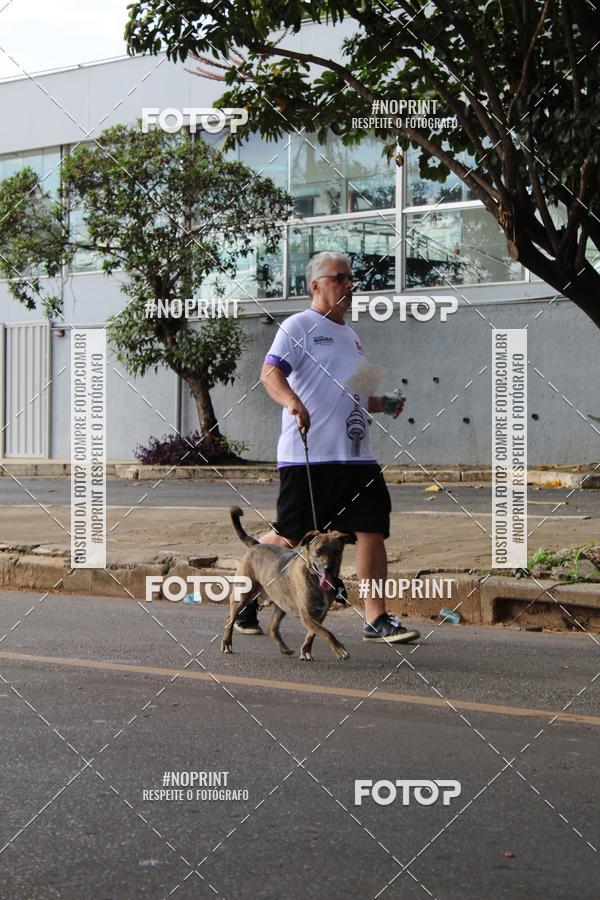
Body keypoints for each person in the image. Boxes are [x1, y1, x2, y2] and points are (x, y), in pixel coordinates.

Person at [234, 250, 420, 644]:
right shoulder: (298, 326)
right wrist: (291, 402)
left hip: (356, 456)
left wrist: (383, 403)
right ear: (315, 285)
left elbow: (353, 395)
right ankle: (248, 595)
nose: (348, 284)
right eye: (339, 277)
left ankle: (376, 618)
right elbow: (270, 373)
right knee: (288, 536)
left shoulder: (351, 337)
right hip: (309, 456)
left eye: (351, 278)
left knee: (371, 530)